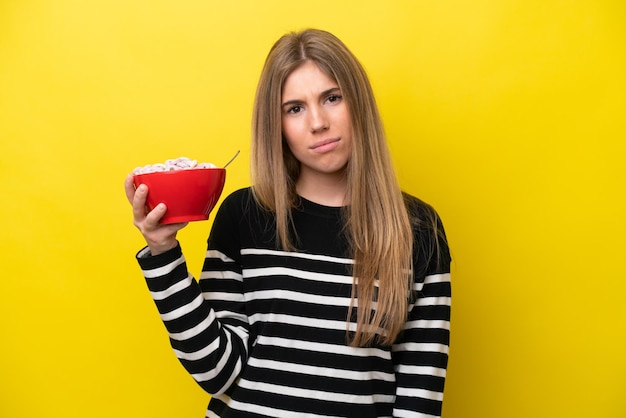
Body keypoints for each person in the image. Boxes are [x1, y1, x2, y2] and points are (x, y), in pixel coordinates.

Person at [125, 28, 451, 418]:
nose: (318, 123)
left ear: (358, 103)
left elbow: (419, 399)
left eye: (332, 98)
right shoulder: (243, 216)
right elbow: (216, 371)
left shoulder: (417, 230)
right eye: (294, 108)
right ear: (276, 125)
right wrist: (163, 255)